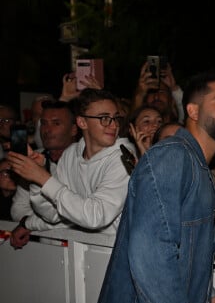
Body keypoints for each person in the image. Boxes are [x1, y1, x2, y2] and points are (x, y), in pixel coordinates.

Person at [92, 69, 215, 303]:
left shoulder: (196, 167)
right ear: (193, 110)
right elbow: (151, 247)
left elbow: (182, 251)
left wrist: (205, 298)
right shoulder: (172, 157)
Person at [6, 88, 134, 244]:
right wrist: (36, 181)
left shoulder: (124, 158)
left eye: (116, 118)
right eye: (104, 118)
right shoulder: (70, 154)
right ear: (82, 122)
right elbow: (56, 214)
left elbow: (96, 216)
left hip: (112, 254)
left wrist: (43, 178)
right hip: (81, 251)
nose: (113, 125)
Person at [9, 99, 79, 248]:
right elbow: (18, 209)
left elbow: (77, 215)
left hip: (81, 252)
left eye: (56, 123)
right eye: (44, 123)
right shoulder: (33, 159)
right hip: (43, 252)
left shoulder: (85, 161)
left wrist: (30, 224)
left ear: (74, 129)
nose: (47, 129)